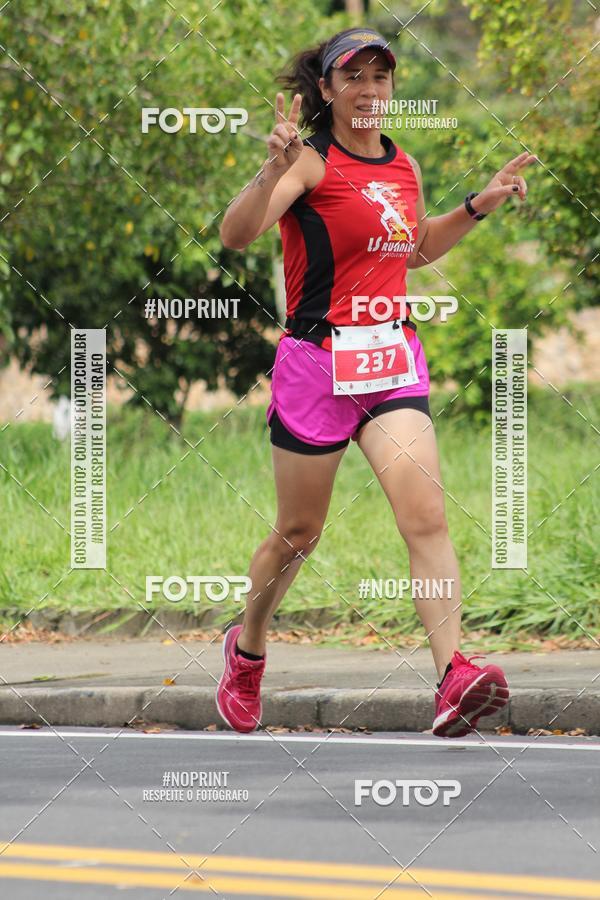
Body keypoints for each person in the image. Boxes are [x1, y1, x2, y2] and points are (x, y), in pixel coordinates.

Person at [216, 27, 536, 738]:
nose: (369, 90)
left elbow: (413, 248)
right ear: (325, 90)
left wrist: (479, 206)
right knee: (299, 534)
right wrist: (270, 171)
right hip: (316, 366)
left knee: (426, 517)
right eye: (352, 77)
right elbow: (236, 235)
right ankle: (247, 650)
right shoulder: (307, 161)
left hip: (390, 359)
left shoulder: (404, 165)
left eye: (380, 77)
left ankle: (453, 674)